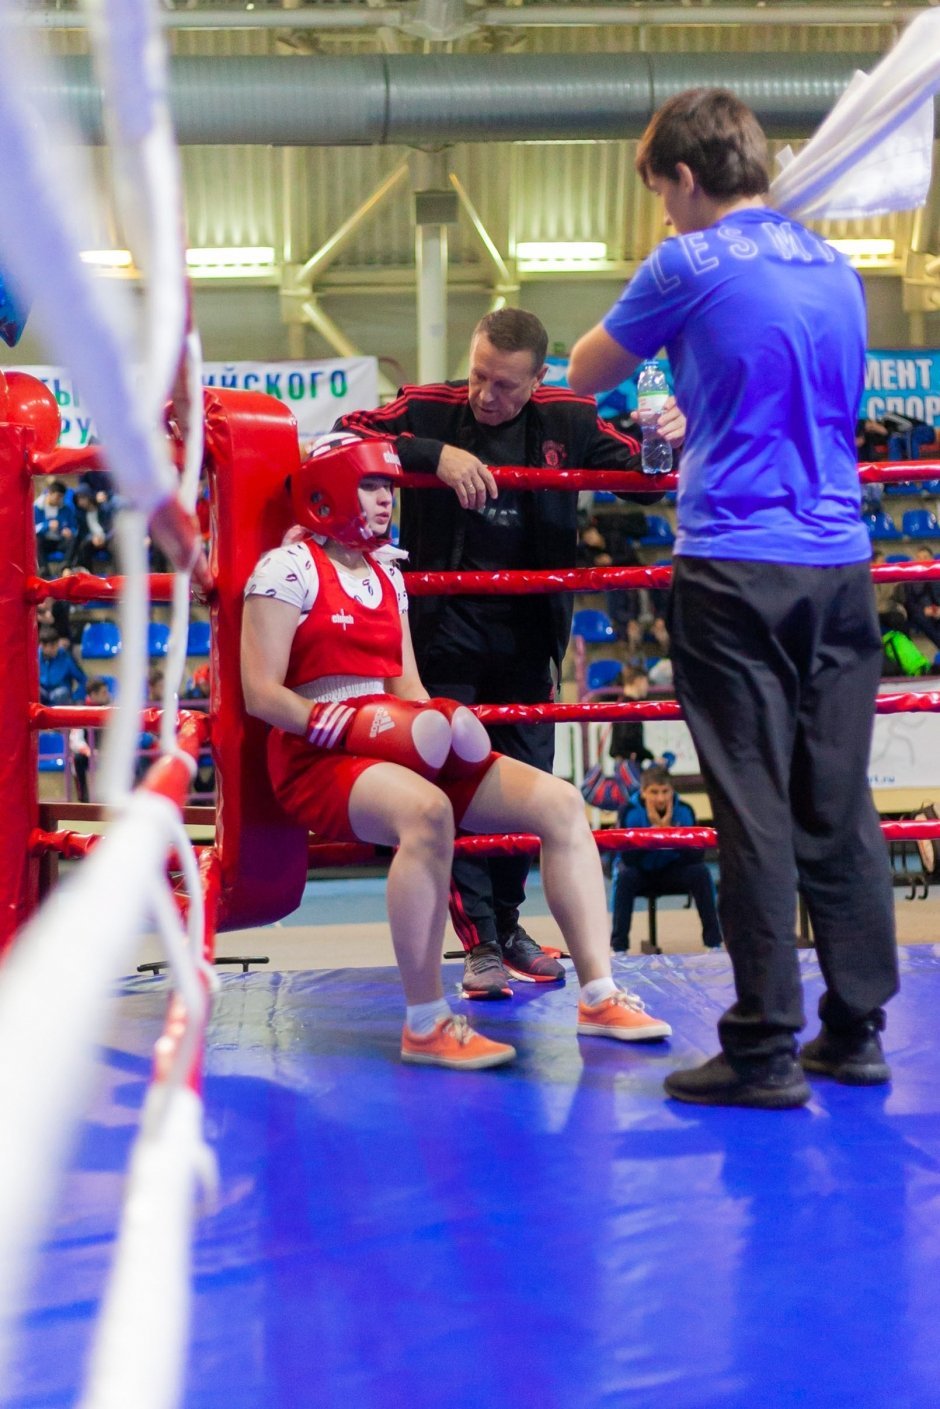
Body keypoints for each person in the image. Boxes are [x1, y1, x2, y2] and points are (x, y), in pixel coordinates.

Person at [568, 87, 898, 1108]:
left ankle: (760, 1048)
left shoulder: (688, 261)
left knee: (750, 803)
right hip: (840, 561)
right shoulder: (835, 265)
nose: (660, 211)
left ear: (682, 174)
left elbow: (583, 373)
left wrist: (666, 386)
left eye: (659, 189)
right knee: (837, 801)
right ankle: (852, 1029)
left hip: (733, 562)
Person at [239, 436, 672, 1070]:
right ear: (326, 489)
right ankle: (424, 1021)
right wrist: (331, 722)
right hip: (313, 757)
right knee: (428, 813)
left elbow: (406, 687)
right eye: (368, 485)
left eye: (389, 486)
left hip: (384, 736)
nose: (385, 498)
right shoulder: (287, 571)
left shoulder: (388, 571)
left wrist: (424, 725)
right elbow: (258, 692)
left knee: (560, 803)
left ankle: (600, 995)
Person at [335, 307, 685, 1000]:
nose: (485, 395)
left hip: (532, 635)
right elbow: (345, 438)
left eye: (504, 386)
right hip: (445, 632)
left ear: (537, 381)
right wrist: (434, 456)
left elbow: (644, 476)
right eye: (479, 375)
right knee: (456, 785)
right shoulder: (431, 406)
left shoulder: (568, 417)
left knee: (526, 784)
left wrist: (665, 437)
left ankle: (511, 925)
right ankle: (482, 942)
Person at [610, 764, 721, 952]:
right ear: (644, 792)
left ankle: (714, 943)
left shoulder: (685, 810)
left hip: (673, 871)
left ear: (672, 791)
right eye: (654, 792)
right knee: (624, 877)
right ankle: (619, 948)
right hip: (641, 873)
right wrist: (654, 835)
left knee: (701, 873)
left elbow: (696, 855)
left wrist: (669, 832)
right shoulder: (629, 811)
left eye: (665, 791)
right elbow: (629, 859)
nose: (660, 798)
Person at [902, 545, 940, 651]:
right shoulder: (910, 579)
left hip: (938, 609)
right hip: (920, 611)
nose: (922, 561)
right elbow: (909, 602)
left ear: (932, 559)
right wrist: (923, 610)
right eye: (919, 558)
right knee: (926, 621)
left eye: (925, 557)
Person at [38, 624, 86, 706]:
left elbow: (83, 680)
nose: (56, 648)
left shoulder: (66, 657)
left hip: (61, 697)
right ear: (42, 646)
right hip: (42, 696)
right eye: (52, 646)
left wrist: (76, 698)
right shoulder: (34, 658)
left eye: (56, 644)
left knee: (60, 694)